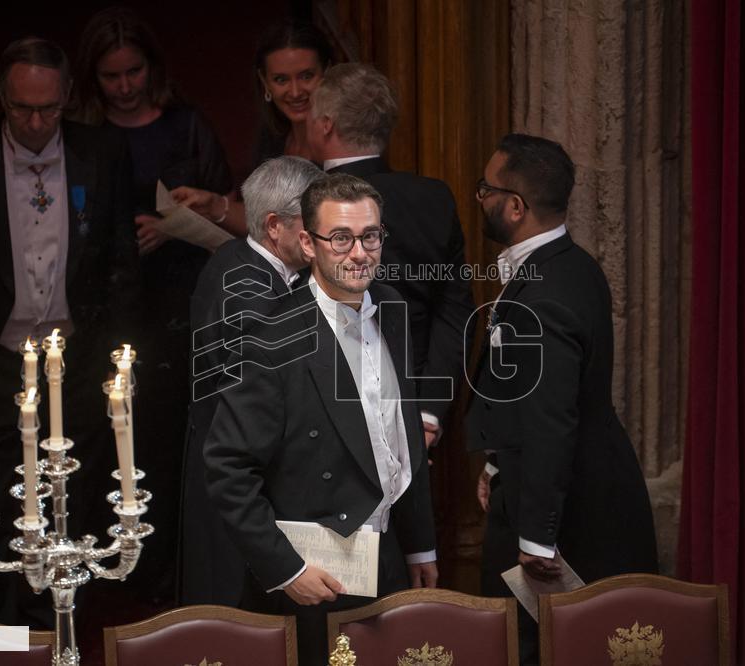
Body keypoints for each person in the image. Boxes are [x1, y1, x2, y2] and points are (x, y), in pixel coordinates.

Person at [0, 37, 138, 626]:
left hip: (80, 351)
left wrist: (116, 359)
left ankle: (67, 608)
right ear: (2, 97)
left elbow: (121, 256)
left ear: (69, 96)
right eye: (23, 109)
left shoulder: (104, 151)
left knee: (79, 476)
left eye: (50, 108)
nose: (37, 122)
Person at [204, 173, 437, 664]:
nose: (359, 253)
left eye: (369, 236)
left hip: (389, 554)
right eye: (341, 238)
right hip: (315, 573)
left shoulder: (392, 309)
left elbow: (400, 435)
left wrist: (420, 547)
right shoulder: (271, 337)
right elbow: (227, 469)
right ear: (308, 244)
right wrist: (286, 570)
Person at [466, 134, 658, 665]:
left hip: (566, 518)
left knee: (534, 651)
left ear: (515, 206)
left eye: (485, 189)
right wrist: (496, 462)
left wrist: (536, 538)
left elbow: (552, 417)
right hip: (553, 485)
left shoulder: (545, 294)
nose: (478, 197)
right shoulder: (573, 264)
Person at [71, 7, 233, 603]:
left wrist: (173, 225)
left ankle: (170, 582)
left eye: (133, 71)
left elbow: (231, 209)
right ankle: (109, 578)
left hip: (179, 302)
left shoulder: (187, 125)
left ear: (152, 67)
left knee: (167, 443)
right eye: (111, 76)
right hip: (104, 306)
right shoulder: (80, 130)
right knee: (106, 440)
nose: (124, 86)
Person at [179, 155, 323, 606]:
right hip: (244, 494)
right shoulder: (254, 297)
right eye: (313, 220)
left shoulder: (235, 256)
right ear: (275, 225)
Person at [306, 63, 475, 445]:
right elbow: (455, 310)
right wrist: (429, 411)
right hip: (412, 400)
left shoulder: (309, 202)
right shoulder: (433, 198)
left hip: (322, 411)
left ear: (326, 125)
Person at [171, 20, 333, 235]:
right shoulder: (273, 135)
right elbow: (263, 222)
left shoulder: (339, 141)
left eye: (306, 76)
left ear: (327, 72)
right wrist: (214, 206)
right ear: (264, 81)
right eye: (281, 79)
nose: (295, 92)